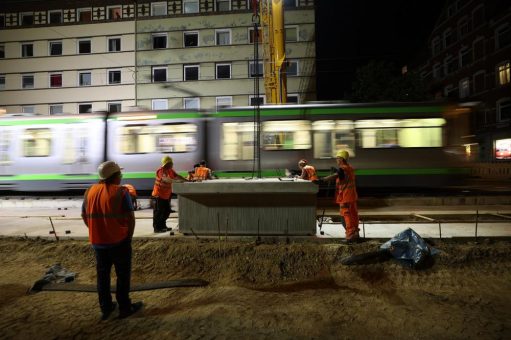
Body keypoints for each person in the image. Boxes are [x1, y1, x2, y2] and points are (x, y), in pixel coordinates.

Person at [81, 161, 143, 320]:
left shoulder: (89, 191)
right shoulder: (121, 192)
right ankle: (124, 307)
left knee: (102, 276)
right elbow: (130, 218)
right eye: (120, 174)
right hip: (119, 241)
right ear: (114, 176)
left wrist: (96, 230)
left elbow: (84, 215)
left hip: (98, 243)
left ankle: (105, 308)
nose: (121, 177)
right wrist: (128, 237)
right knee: (122, 276)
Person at [322, 150, 360, 243]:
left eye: (337, 158)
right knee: (353, 215)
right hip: (351, 196)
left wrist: (323, 179)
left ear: (341, 159)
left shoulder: (342, 169)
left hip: (345, 197)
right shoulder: (349, 168)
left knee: (346, 216)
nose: (336, 160)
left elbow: (336, 175)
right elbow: (341, 176)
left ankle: (350, 236)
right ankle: (355, 234)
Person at [152, 155, 188, 233]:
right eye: (170, 163)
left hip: (166, 195)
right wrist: (177, 181)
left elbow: (177, 176)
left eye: (171, 163)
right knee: (158, 212)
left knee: (167, 211)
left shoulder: (171, 170)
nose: (171, 165)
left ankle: (163, 226)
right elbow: (165, 179)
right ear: (166, 164)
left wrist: (187, 180)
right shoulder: (160, 171)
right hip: (158, 195)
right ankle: (157, 228)